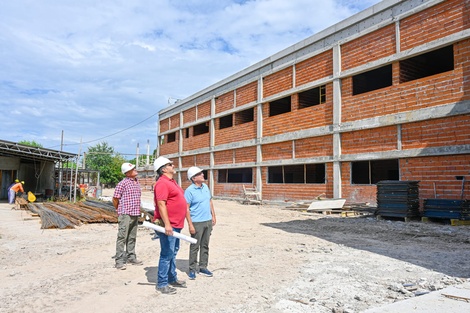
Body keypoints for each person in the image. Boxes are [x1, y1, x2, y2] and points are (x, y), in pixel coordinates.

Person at [153, 156, 188, 295]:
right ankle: (162, 284)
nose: (173, 166)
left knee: (173, 252)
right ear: (163, 169)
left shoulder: (172, 182)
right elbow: (161, 204)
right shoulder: (162, 183)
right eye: (170, 164)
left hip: (176, 224)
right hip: (170, 225)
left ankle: (172, 278)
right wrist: (167, 224)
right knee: (167, 254)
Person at [184, 166, 217, 280]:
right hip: (197, 222)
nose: (203, 175)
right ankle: (192, 269)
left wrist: (213, 215)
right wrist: (190, 225)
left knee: (205, 245)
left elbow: (210, 201)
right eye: (200, 174)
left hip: (207, 221)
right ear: (193, 178)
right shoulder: (189, 191)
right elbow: (186, 208)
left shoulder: (206, 187)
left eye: (202, 173)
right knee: (195, 246)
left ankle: (203, 267)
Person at [112, 163, 143, 270]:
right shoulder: (122, 183)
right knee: (122, 237)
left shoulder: (136, 182)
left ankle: (131, 256)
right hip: (125, 214)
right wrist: (119, 210)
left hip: (135, 213)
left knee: (132, 237)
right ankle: (119, 260)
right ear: (128, 173)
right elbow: (115, 198)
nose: (135, 170)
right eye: (132, 169)